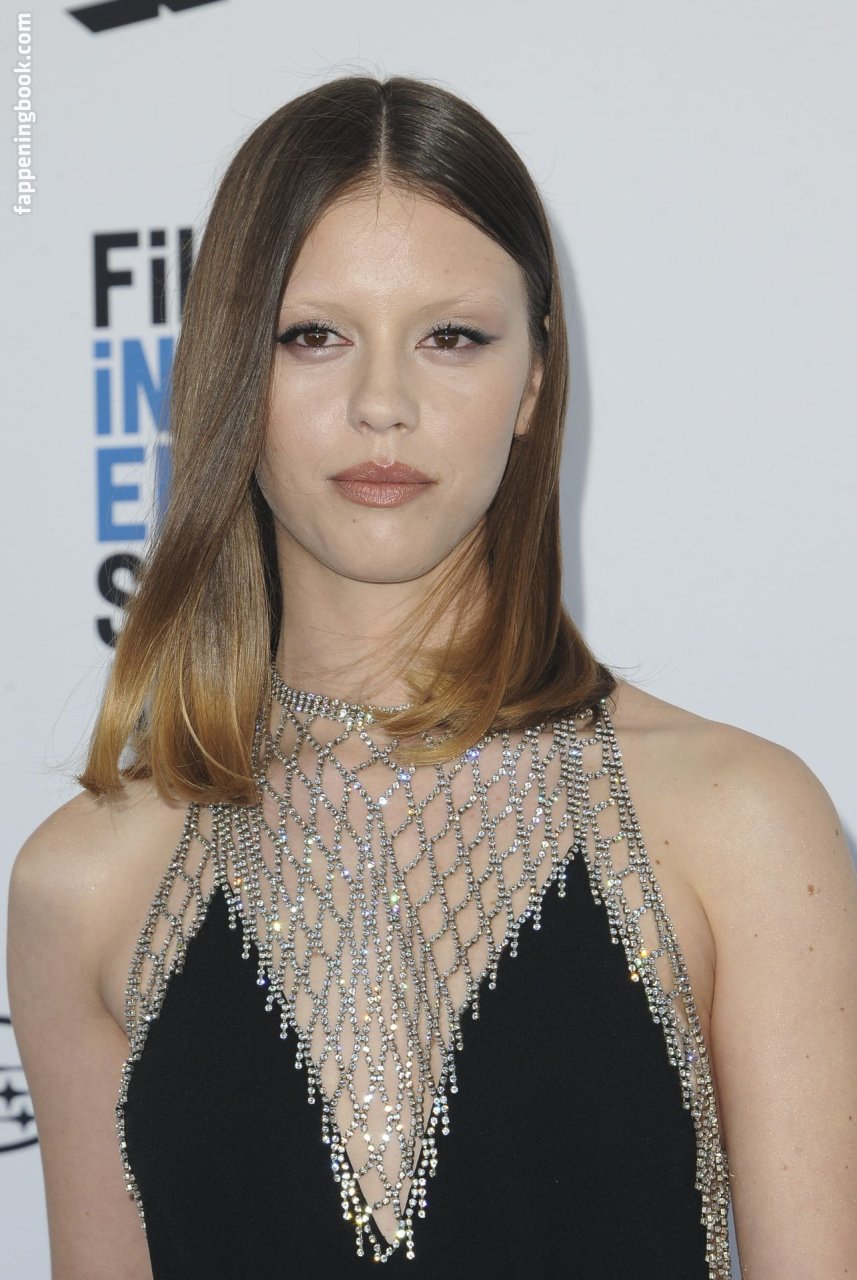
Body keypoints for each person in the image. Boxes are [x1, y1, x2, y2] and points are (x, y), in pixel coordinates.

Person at [6, 73, 856, 1280]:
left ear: (534, 380)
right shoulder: (82, 884)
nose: (382, 406)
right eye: (313, 335)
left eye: (449, 336)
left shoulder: (740, 822)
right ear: (230, 370)